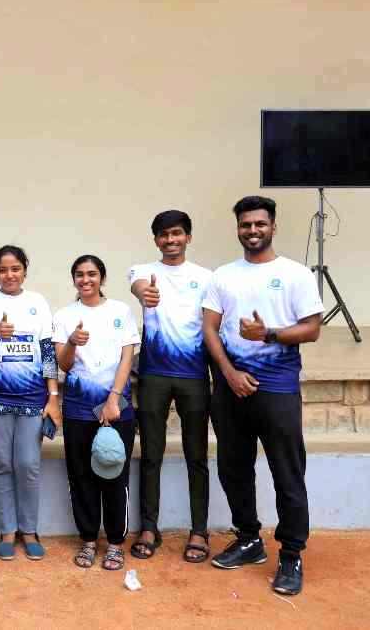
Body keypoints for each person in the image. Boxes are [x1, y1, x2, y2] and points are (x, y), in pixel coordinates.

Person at [202, 195, 323, 596]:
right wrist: (230, 374)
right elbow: (209, 330)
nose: (252, 231)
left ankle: (291, 553)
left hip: (277, 390)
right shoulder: (223, 276)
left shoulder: (296, 274)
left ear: (273, 226)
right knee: (233, 468)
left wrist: (269, 333)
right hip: (230, 389)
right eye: (245, 225)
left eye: (259, 224)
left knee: (287, 472)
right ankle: (249, 539)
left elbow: (312, 328)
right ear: (237, 228)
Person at [127, 210, 213, 562]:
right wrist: (144, 292)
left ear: (188, 237)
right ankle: (149, 526)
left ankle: (199, 530)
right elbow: (136, 285)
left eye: (177, 233)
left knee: (197, 457)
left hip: (194, 375)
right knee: (150, 454)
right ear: (156, 240)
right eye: (163, 235)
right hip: (153, 376)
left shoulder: (208, 278)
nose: (170, 240)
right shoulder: (143, 272)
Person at [0, 245, 58, 561]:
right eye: (3, 269)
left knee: (28, 465)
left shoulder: (37, 302)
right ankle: (8, 531)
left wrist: (53, 397)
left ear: (24, 270)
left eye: (15, 268)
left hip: (33, 399)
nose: (9, 275)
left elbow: (48, 351)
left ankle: (30, 530)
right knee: (2, 464)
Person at [54, 255, 140, 571]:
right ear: (73, 279)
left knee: (115, 473)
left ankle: (115, 544)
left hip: (117, 408)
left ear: (102, 277)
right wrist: (73, 343)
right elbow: (62, 365)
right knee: (81, 477)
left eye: (92, 274)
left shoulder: (121, 311)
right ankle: (89, 541)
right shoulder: (64, 315)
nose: (85, 279)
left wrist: (113, 400)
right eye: (79, 274)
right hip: (78, 409)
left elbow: (126, 359)